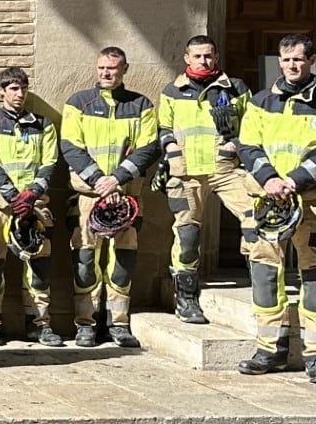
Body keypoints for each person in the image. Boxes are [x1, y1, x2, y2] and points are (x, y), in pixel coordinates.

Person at [61, 48, 159, 348]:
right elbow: (70, 146)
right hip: (89, 196)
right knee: (86, 258)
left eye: (112, 68)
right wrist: (98, 180)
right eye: (101, 67)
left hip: (126, 197)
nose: (106, 73)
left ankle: (118, 323)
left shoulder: (140, 104)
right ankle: (86, 324)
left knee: (123, 260)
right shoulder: (78, 103)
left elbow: (148, 147)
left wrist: (117, 179)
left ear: (125, 69)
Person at [235, 32, 316, 379]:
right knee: (266, 274)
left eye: (298, 59)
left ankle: (314, 355)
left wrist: (296, 179)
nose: (292, 65)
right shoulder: (261, 100)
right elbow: (247, 145)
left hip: (309, 200)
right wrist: (269, 178)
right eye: (286, 60)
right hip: (269, 203)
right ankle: (270, 350)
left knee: (313, 276)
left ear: (311, 60)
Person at [157, 36, 254, 325]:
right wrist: (171, 149)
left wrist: (234, 146)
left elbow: (251, 125)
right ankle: (185, 299)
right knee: (187, 234)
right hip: (186, 170)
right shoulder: (173, 90)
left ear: (217, 57)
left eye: (208, 56)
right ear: (187, 58)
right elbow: (163, 127)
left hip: (225, 168)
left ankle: (262, 287)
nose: (203, 61)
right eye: (197, 56)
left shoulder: (235, 88)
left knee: (257, 219)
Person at [0, 67, 61, 346]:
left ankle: (39, 324)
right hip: (1, 210)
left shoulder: (44, 125)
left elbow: (49, 163)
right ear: (1, 91)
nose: (19, 93)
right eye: (12, 88)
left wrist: (32, 195)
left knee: (39, 269)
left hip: (36, 209)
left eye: (23, 88)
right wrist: (13, 197)